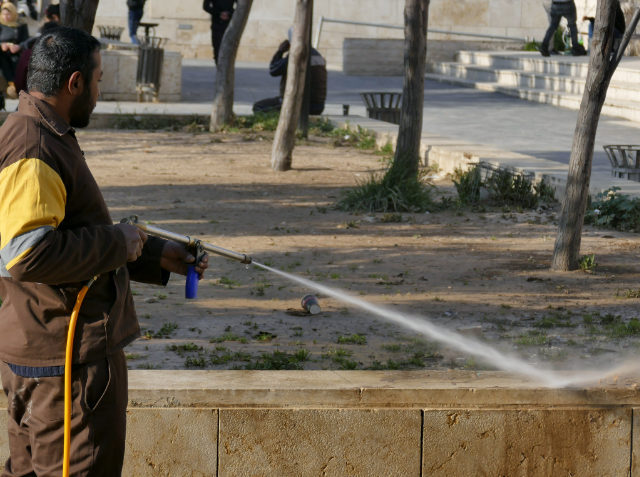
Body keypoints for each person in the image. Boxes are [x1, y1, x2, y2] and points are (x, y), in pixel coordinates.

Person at [0, 27, 209, 476]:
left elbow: (68, 235)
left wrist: (152, 255)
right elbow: (26, 255)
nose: (100, 91)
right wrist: (120, 240)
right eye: (97, 80)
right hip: (67, 365)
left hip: (43, 352)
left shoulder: (36, 133)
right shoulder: (35, 147)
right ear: (74, 83)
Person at [253, 28, 327, 116]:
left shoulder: (297, 55)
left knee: (258, 107)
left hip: (299, 104)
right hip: (318, 106)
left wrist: (280, 51)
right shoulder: (318, 55)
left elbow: (273, 70)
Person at [0, 2, 28, 99]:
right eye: (3, 14)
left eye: (8, 14)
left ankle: (15, 87)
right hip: (2, 55)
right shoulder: (0, 24)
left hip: (16, 54)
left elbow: (26, 41)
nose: (6, 17)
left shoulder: (21, 24)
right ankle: (10, 84)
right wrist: (1, 45)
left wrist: (18, 46)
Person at [203, 0, 235, 65]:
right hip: (217, 23)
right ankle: (220, 69)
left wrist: (229, 14)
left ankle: (224, 69)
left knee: (227, 48)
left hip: (228, 24)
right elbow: (206, 6)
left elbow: (241, 6)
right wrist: (219, 13)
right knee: (217, 47)